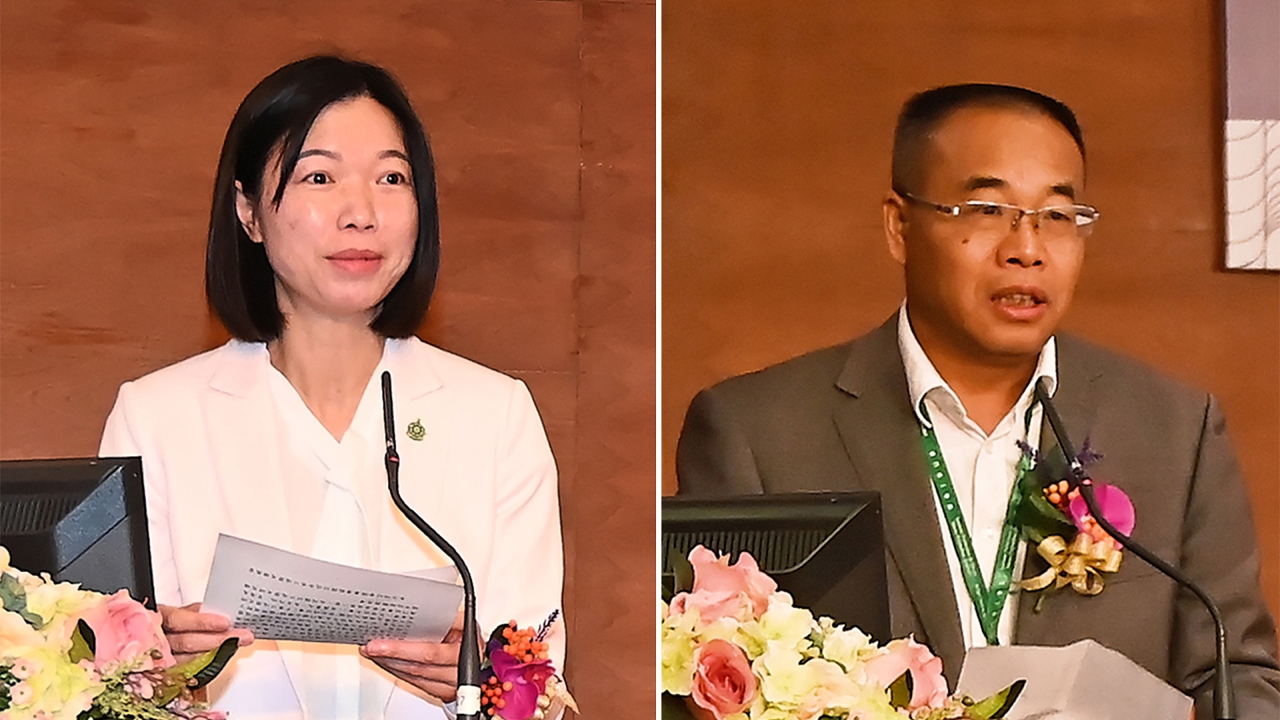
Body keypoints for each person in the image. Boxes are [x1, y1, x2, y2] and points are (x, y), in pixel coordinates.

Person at [675, 83, 1280, 717]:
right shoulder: (757, 433)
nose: (1027, 249)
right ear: (900, 226)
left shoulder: (1174, 431)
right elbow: (710, 675)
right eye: (987, 210)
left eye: (1058, 216)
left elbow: (1234, 674)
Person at [99, 56, 564, 720]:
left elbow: (541, 688)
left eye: (391, 178)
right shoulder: (157, 419)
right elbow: (103, 685)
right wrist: (149, 670)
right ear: (248, 212)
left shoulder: (496, 416)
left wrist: (486, 687)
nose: (361, 213)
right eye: (319, 176)